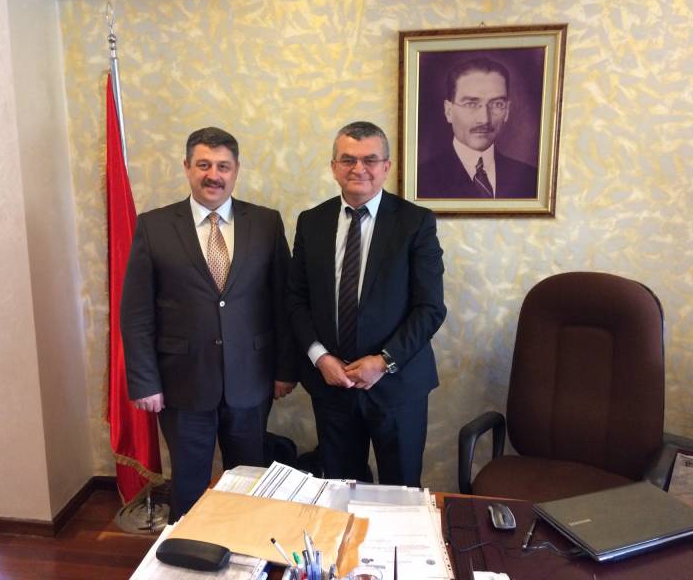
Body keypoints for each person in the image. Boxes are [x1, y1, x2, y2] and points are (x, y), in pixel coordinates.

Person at [120, 127, 295, 520]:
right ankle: (187, 549)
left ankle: (244, 549)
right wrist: (145, 381)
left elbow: (282, 303)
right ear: (187, 167)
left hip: (251, 379)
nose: (213, 175)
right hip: (182, 383)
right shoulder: (154, 226)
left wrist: (285, 370)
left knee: (249, 483)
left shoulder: (266, 223)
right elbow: (137, 312)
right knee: (188, 484)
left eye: (223, 166)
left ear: (236, 170)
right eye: (203, 165)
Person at [286, 121, 446, 487]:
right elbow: (296, 299)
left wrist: (383, 361)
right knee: (341, 491)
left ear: (386, 166)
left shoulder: (415, 222)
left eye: (370, 159)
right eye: (348, 159)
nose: (359, 168)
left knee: (401, 491)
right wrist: (320, 357)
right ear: (334, 167)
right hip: (332, 384)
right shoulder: (311, 222)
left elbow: (430, 308)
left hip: (398, 384)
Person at [417, 57, 538, 199]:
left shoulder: (531, 179)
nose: (484, 119)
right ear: (448, 111)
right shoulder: (419, 181)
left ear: (507, 111)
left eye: (497, 104)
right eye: (471, 104)